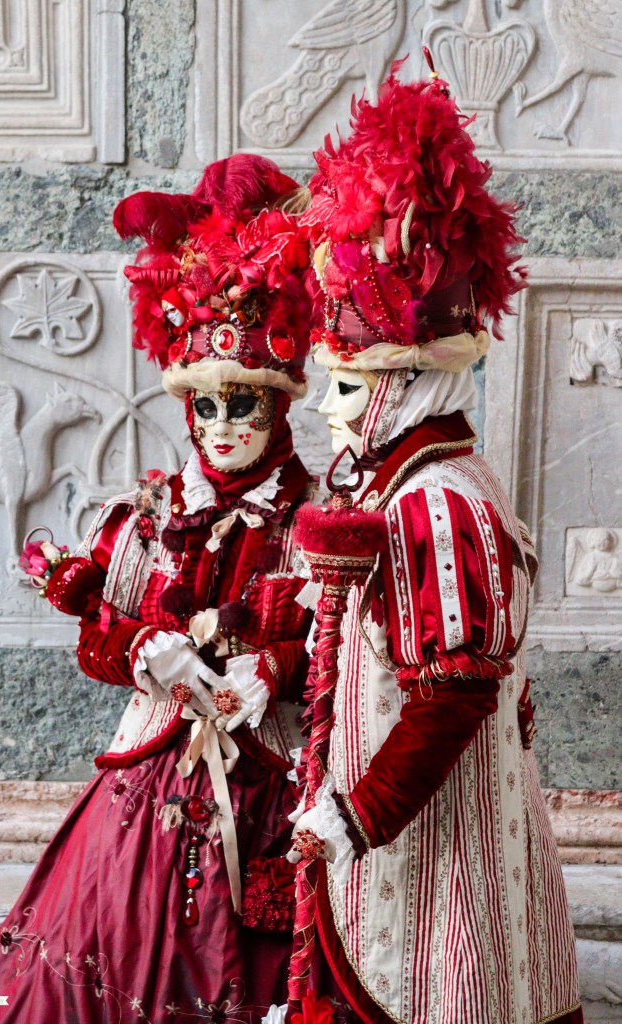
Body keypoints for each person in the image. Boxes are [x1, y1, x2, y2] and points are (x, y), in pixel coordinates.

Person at [0, 155, 318, 1024]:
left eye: (246, 405)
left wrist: (276, 667)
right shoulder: (152, 508)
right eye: (207, 408)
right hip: (146, 775)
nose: (223, 429)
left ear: (280, 405)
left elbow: (343, 639)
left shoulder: (316, 519)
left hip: (267, 775)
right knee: (70, 948)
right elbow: (97, 635)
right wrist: (149, 648)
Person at [282, 60, 582, 1024]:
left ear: (402, 384)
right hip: (428, 839)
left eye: (344, 386)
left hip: (430, 858)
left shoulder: (436, 503)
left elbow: (452, 694)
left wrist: (355, 814)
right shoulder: (422, 483)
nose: (326, 414)